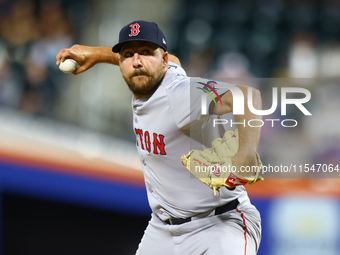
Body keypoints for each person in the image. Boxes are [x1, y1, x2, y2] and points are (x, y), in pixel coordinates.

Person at [56, 20, 262, 255]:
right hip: (163, 231)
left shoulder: (180, 94)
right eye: (128, 54)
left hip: (220, 225)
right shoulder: (164, 71)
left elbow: (248, 97)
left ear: (162, 61)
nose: (137, 62)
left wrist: (246, 152)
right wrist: (97, 53)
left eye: (146, 53)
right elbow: (167, 61)